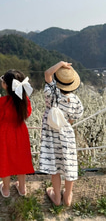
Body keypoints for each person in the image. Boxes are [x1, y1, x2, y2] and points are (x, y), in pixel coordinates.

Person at [40, 61, 84, 206]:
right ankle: (68, 195)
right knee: (69, 164)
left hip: (51, 136)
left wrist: (60, 64)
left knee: (55, 166)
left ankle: (57, 197)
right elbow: (75, 117)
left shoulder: (51, 93)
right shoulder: (76, 101)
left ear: (57, 81)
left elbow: (47, 73)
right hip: (67, 136)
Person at [0, 69, 35, 198]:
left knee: (5, 159)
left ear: (5, 85)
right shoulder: (24, 101)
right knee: (21, 158)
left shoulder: (0, 102)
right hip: (20, 131)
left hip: (4, 133)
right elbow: (27, 115)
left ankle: (6, 189)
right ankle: (22, 187)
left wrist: (4, 127)